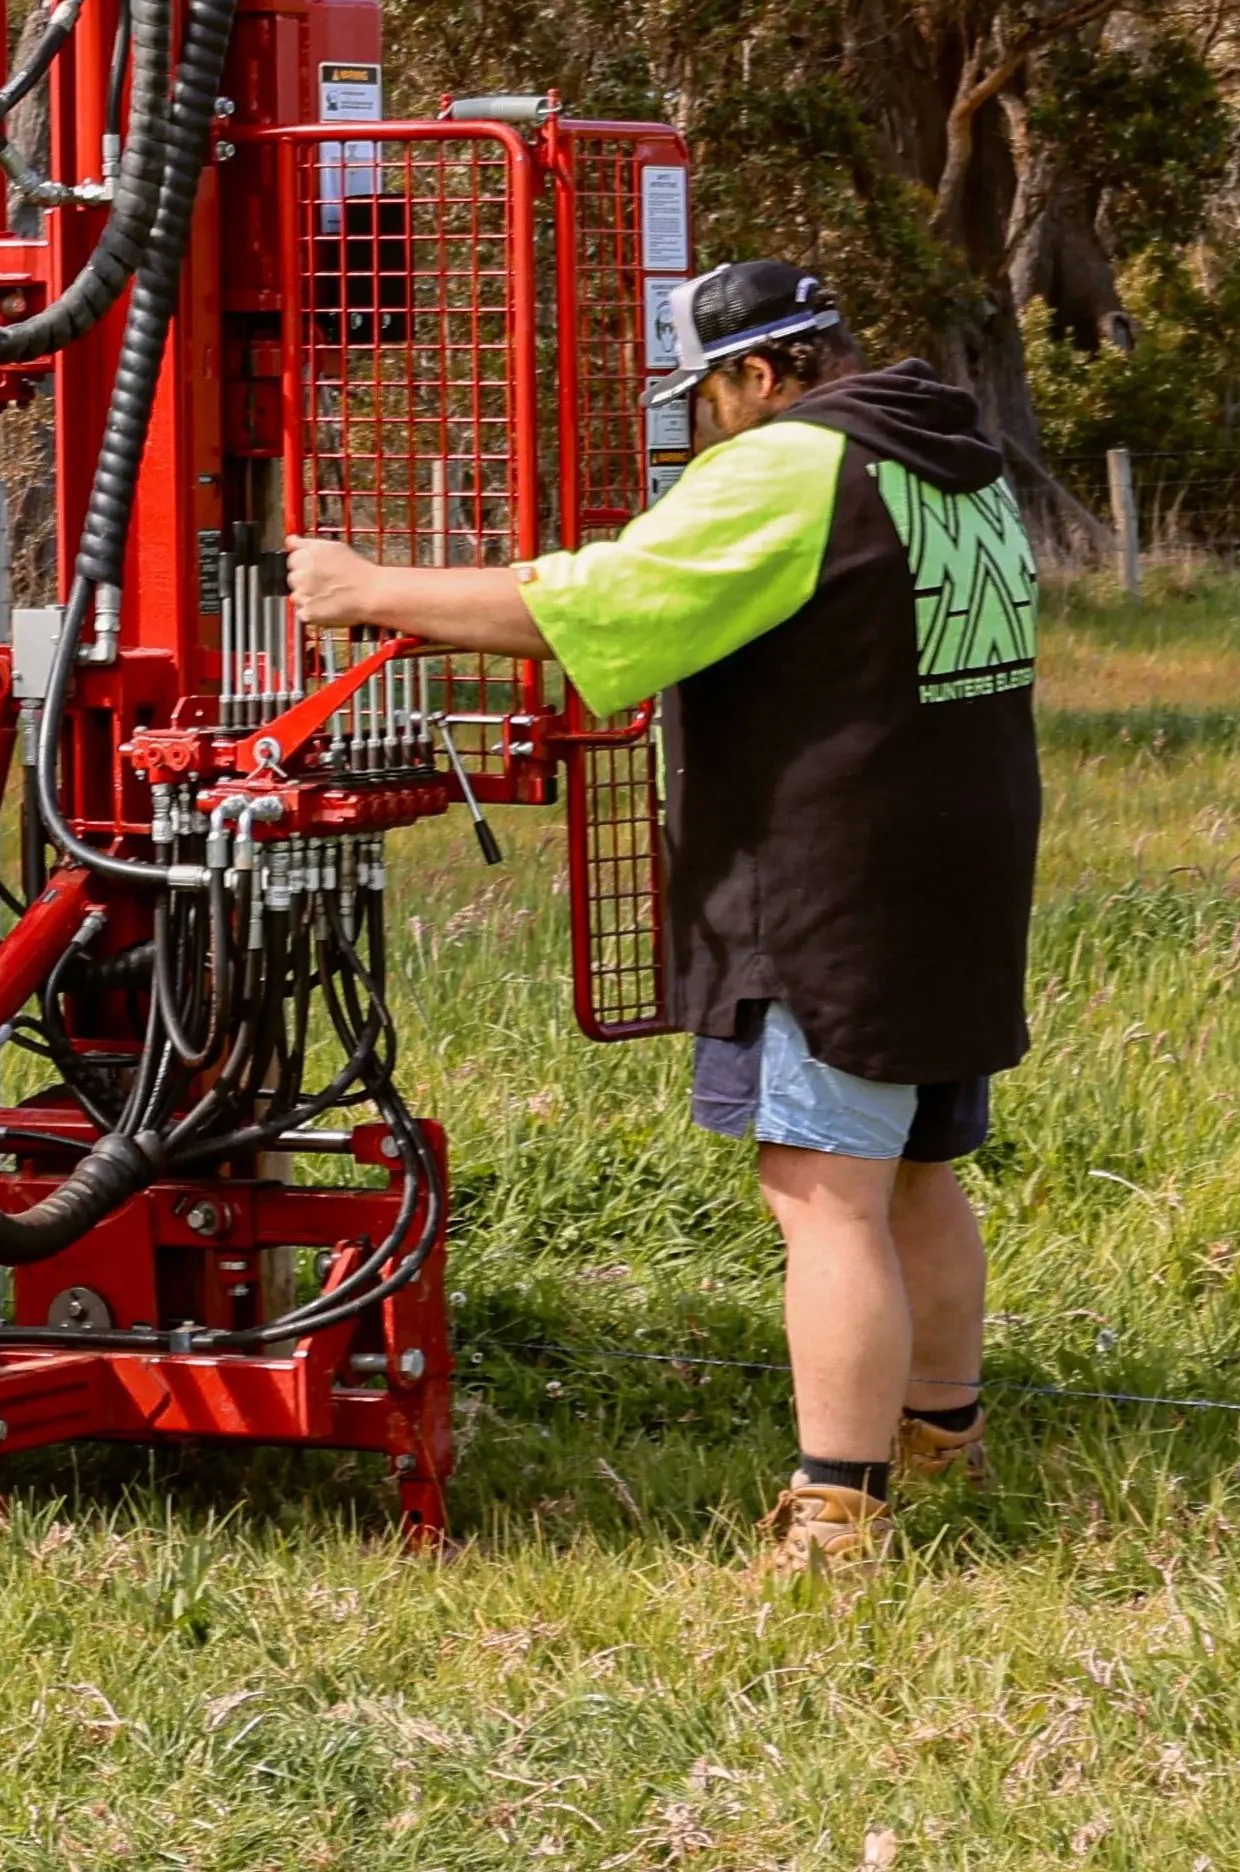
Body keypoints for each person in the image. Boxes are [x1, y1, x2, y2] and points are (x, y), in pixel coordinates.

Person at [290, 257, 1044, 1577]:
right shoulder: (946, 455)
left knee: (822, 1192)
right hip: (955, 862)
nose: (705, 424)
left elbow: (597, 603)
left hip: (833, 876)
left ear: (757, 376)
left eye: (707, 396)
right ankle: (945, 1443)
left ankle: (836, 1513)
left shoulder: (793, 463)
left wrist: (366, 590)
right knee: (919, 1170)